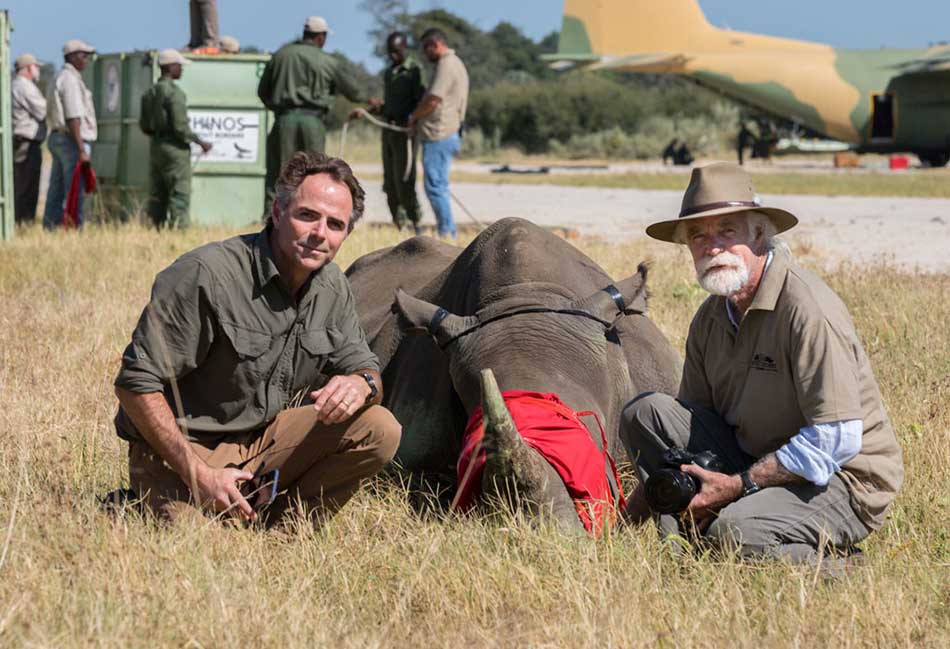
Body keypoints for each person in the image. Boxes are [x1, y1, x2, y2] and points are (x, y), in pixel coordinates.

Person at [621, 162, 903, 565]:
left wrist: (740, 485)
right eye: (698, 236)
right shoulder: (710, 317)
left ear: (759, 234)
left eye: (727, 231)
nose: (712, 247)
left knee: (733, 533)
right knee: (645, 412)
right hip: (756, 461)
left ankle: (851, 569)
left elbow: (837, 439)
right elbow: (683, 438)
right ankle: (683, 548)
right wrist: (624, 520)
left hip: (842, 478)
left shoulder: (807, 309)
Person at [113, 151, 402, 526]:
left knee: (379, 428)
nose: (320, 234)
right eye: (307, 215)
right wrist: (200, 475)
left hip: (263, 444)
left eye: (335, 224)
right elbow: (135, 385)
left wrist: (360, 384)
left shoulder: (332, 285)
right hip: (183, 451)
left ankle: (284, 530)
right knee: (202, 552)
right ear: (278, 212)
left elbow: (367, 370)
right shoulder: (206, 275)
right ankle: (134, 503)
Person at [258, 16, 380, 218]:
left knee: (279, 173)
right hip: (313, 122)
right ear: (321, 37)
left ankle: (271, 219)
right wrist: (371, 101)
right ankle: (309, 215)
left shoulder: (281, 55)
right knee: (312, 172)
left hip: (284, 120)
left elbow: (263, 92)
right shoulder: (328, 61)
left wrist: (280, 110)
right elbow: (353, 92)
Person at [353, 32, 425, 232]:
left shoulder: (414, 71)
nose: (393, 56)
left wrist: (414, 122)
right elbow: (389, 104)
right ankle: (399, 223)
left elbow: (422, 100)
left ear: (405, 48)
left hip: (405, 131)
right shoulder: (389, 73)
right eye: (390, 53)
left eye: (396, 52)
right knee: (390, 182)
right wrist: (368, 110)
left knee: (404, 180)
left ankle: (415, 220)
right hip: (388, 131)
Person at [139, 49, 213, 229]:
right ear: (170, 67)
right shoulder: (175, 93)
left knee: (158, 192)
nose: (182, 70)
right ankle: (179, 230)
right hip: (175, 149)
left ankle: (154, 228)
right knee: (179, 191)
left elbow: (144, 125)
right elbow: (181, 127)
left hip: (156, 146)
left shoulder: (149, 93)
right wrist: (200, 142)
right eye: (179, 66)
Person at [407, 28, 469, 240]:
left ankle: (447, 233)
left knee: (435, 186)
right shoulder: (454, 63)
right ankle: (448, 231)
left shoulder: (446, 65)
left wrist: (413, 117)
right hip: (445, 133)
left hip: (440, 134)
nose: (425, 53)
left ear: (435, 44)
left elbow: (434, 99)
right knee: (438, 185)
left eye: (426, 48)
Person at [43, 39, 97, 230]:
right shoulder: (71, 80)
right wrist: (81, 149)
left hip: (58, 137)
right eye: (84, 55)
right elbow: (73, 117)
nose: (87, 60)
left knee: (55, 189)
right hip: (71, 141)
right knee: (75, 189)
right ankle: (75, 228)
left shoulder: (60, 76)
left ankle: (50, 227)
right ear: (72, 56)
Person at [11, 53, 47, 224]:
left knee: (22, 184)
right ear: (27, 69)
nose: (38, 70)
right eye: (35, 67)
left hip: (21, 141)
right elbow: (42, 110)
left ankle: (21, 220)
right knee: (27, 185)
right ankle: (23, 222)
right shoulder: (25, 87)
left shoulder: (15, 85)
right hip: (27, 141)